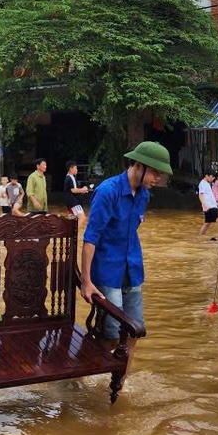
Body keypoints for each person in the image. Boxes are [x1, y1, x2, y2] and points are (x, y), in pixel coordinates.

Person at [80, 141, 170, 349]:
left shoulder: (144, 194)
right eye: (155, 172)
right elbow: (90, 238)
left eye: (160, 174)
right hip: (107, 270)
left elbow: (132, 228)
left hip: (132, 268)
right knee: (111, 332)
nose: (158, 178)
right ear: (138, 166)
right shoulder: (107, 192)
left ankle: (123, 372)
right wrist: (86, 281)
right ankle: (99, 368)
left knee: (135, 329)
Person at [63, 160, 90, 227]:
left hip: (70, 203)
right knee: (82, 218)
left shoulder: (70, 177)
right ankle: (74, 232)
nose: (77, 170)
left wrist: (82, 191)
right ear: (71, 168)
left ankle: (71, 233)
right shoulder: (70, 178)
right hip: (73, 203)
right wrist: (83, 189)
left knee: (73, 221)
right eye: (75, 168)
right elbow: (73, 190)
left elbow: (73, 190)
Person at [197, 168, 218, 239]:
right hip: (209, 207)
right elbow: (200, 195)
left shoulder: (207, 183)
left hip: (212, 206)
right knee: (211, 221)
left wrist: (216, 204)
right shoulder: (202, 183)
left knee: (208, 222)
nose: (213, 179)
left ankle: (202, 236)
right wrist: (204, 204)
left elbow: (210, 196)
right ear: (206, 176)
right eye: (212, 177)